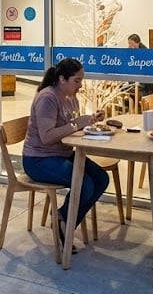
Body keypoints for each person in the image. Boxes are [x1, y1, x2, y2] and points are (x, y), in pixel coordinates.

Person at [22, 58, 110, 253]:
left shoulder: (70, 97)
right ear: (62, 79)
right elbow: (47, 137)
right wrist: (77, 123)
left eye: (81, 81)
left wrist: (89, 120)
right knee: (84, 183)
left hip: (62, 154)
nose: (80, 86)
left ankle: (64, 219)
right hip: (38, 159)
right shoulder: (48, 98)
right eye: (77, 81)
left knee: (101, 179)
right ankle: (64, 222)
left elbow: (68, 128)